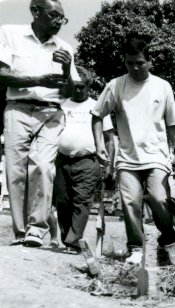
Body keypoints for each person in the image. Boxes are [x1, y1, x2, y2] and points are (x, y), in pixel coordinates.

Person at [91, 33, 175, 266]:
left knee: (158, 197)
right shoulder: (115, 85)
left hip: (157, 156)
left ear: (149, 62)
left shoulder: (162, 87)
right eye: (129, 63)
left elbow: (173, 126)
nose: (134, 68)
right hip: (127, 157)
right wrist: (99, 144)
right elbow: (96, 115)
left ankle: (169, 240)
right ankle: (135, 247)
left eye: (140, 63)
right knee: (130, 201)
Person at [0, 0, 78, 247]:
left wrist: (66, 70)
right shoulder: (10, 33)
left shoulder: (64, 47)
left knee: (43, 166)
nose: (59, 22)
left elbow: (70, 93)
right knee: (15, 171)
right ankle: (21, 232)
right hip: (17, 107)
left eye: (62, 18)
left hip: (50, 112)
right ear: (36, 12)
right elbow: (1, 76)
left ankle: (36, 228)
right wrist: (37, 80)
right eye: (54, 15)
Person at [53, 68, 114, 253]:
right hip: (61, 160)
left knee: (82, 200)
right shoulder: (61, 106)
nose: (79, 90)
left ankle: (73, 240)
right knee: (63, 202)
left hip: (87, 160)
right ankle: (67, 240)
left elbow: (109, 137)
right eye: (76, 86)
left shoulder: (97, 107)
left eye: (83, 87)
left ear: (88, 87)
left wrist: (110, 165)